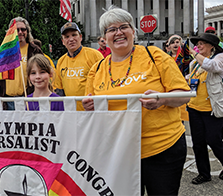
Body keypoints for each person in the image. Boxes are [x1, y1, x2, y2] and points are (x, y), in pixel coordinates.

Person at [81, 6, 190, 195]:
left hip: (162, 148)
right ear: (105, 37)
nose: (118, 32)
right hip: (119, 151)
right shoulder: (97, 69)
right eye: (111, 29)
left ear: (133, 31)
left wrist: (161, 100)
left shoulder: (155, 56)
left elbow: (184, 95)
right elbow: (90, 110)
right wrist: (89, 107)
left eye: (124, 27)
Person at [187, 33, 223, 184]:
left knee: (214, 140)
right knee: (198, 143)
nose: (198, 46)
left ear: (211, 47)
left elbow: (211, 66)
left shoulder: (219, 58)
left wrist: (194, 53)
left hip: (213, 109)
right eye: (197, 44)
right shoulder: (194, 63)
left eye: (202, 43)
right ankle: (204, 174)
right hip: (194, 108)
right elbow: (191, 79)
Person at [54, 22, 103, 111]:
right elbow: (59, 89)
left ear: (80, 37)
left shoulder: (94, 55)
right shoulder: (61, 61)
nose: (71, 39)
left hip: (92, 110)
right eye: (67, 37)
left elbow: (103, 82)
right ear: (63, 41)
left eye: (74, 35)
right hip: (71, 111)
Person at [0, 17, 43, 110]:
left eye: (23, 29)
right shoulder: (4, 51)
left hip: (28, 99)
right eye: (16, 29)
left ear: (27, 31)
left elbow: (44, 72)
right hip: (8, 100)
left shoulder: (34, 50)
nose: (20, 32)